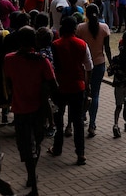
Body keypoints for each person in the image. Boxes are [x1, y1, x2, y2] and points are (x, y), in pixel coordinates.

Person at [4, 26, 58, 195]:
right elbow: (53, 84)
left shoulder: (9, 59)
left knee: (26, 147)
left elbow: (9, 82)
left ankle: (31, 176)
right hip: (39, 110)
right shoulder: (42, 61)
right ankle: (32, 178)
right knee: (36, 143)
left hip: (20, 109)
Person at [47, 15, 92, 165]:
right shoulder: (82, 44)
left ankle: (57, 148)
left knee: (58, 120)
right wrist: (87, 84)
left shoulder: (55, 44)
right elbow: (89, 66)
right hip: (78, 86)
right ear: (74, 28)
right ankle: (81, 154)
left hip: (60, 87)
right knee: (78, 121)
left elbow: (52, 67)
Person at [75, 3, 111, 138]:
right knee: (95, 94)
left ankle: (82, 115)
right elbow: (107, 49)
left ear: (86, 14)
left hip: (84, 65)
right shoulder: (104, 28)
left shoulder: (80, 28)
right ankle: (92, 124)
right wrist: (111, 63)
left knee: (83, 91)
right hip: (99, 64)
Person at [108, 29, 126, 138]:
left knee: (118, 106)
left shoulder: (116, 59)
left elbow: (110, 72)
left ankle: (116, 124)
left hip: (118, 85)